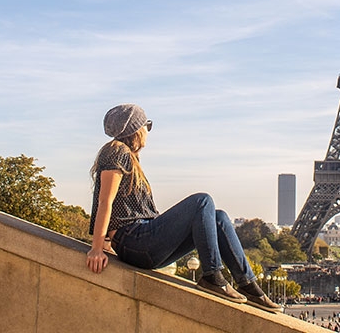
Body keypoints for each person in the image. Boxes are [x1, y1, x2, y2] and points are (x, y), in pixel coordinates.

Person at [85, 103, 280, 313]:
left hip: (140, 241)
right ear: (136, 129)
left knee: (219, 217)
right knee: (202, 201)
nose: (148, 132)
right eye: (147, 126)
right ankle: (212, 275)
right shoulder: (117, 152)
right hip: (135, 241)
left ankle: (248, 284)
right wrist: (97, 247)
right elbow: (106, 201)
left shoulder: (127, 156)